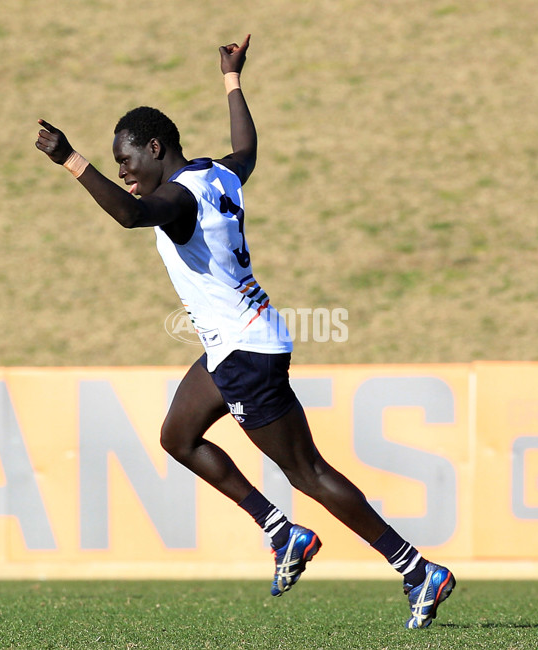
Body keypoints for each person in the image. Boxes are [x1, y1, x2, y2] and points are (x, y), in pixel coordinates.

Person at [35, 34, 455, 629]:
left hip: (244, 354)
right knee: (177, 437)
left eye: (127, 161)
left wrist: (72, 160)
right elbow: (247, 148)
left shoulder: (177, 201)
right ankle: (281, 531)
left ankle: (415, 568)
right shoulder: (217, 176)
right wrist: (232, 80)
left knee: (306, 471)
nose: (125, 173)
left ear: (155, 148)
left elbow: (130, 215)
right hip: (234, 344)